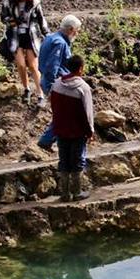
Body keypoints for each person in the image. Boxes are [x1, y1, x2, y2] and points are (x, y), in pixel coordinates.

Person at [49, 55, 95, 202]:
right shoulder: (83, 88)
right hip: (78, 131)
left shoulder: (57, 84)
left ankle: (64, 193)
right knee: (77, 160)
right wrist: (90, 131)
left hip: (61, 128)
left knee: (64, 160)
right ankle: (76, 192)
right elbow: (88, 113)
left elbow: (53, 103)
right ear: (81, 68)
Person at [36, 15, 83, 150]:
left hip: (49, 81)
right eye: (77, 31)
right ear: (71, 29)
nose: (77, 34)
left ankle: (51, 140)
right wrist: (52, 88)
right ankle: (47, 140)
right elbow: (52, 67)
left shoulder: (50, 37)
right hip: (57, 84)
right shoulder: (60, 43)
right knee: (65, 114)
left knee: (64, 113)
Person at [0, 0, 49, 105]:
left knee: (33, 66)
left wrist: (47, 34)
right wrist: (13, 21)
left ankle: (40, 94)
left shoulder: (35, 2)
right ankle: (26, 89)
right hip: (15, 35)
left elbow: (41, 20)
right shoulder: (8, 2)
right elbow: (3, 18)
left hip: (31, 36)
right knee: (21, 65)